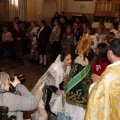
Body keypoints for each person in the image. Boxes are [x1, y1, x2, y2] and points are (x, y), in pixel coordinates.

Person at [54, 34, 93, 120]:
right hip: (84, 94)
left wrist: (65, 87)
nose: (70, 61)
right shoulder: (86, 62)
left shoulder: (78, 62)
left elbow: (71, 77)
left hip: (74, 95)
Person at [85, 38, 120, 120]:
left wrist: (96, 83)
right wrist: (101, 80)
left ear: (110, 53)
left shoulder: (110, 73)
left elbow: (97, 95)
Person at [31, 51, 72, 118]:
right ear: (62, 59)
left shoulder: (68, 66)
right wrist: (56, 90)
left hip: (60, 88)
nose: (70, 61)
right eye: (67, 59)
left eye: (70, 59)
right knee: (48, 107)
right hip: (50, 89)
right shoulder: (55, 67)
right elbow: (48, 82)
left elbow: (65, 79)